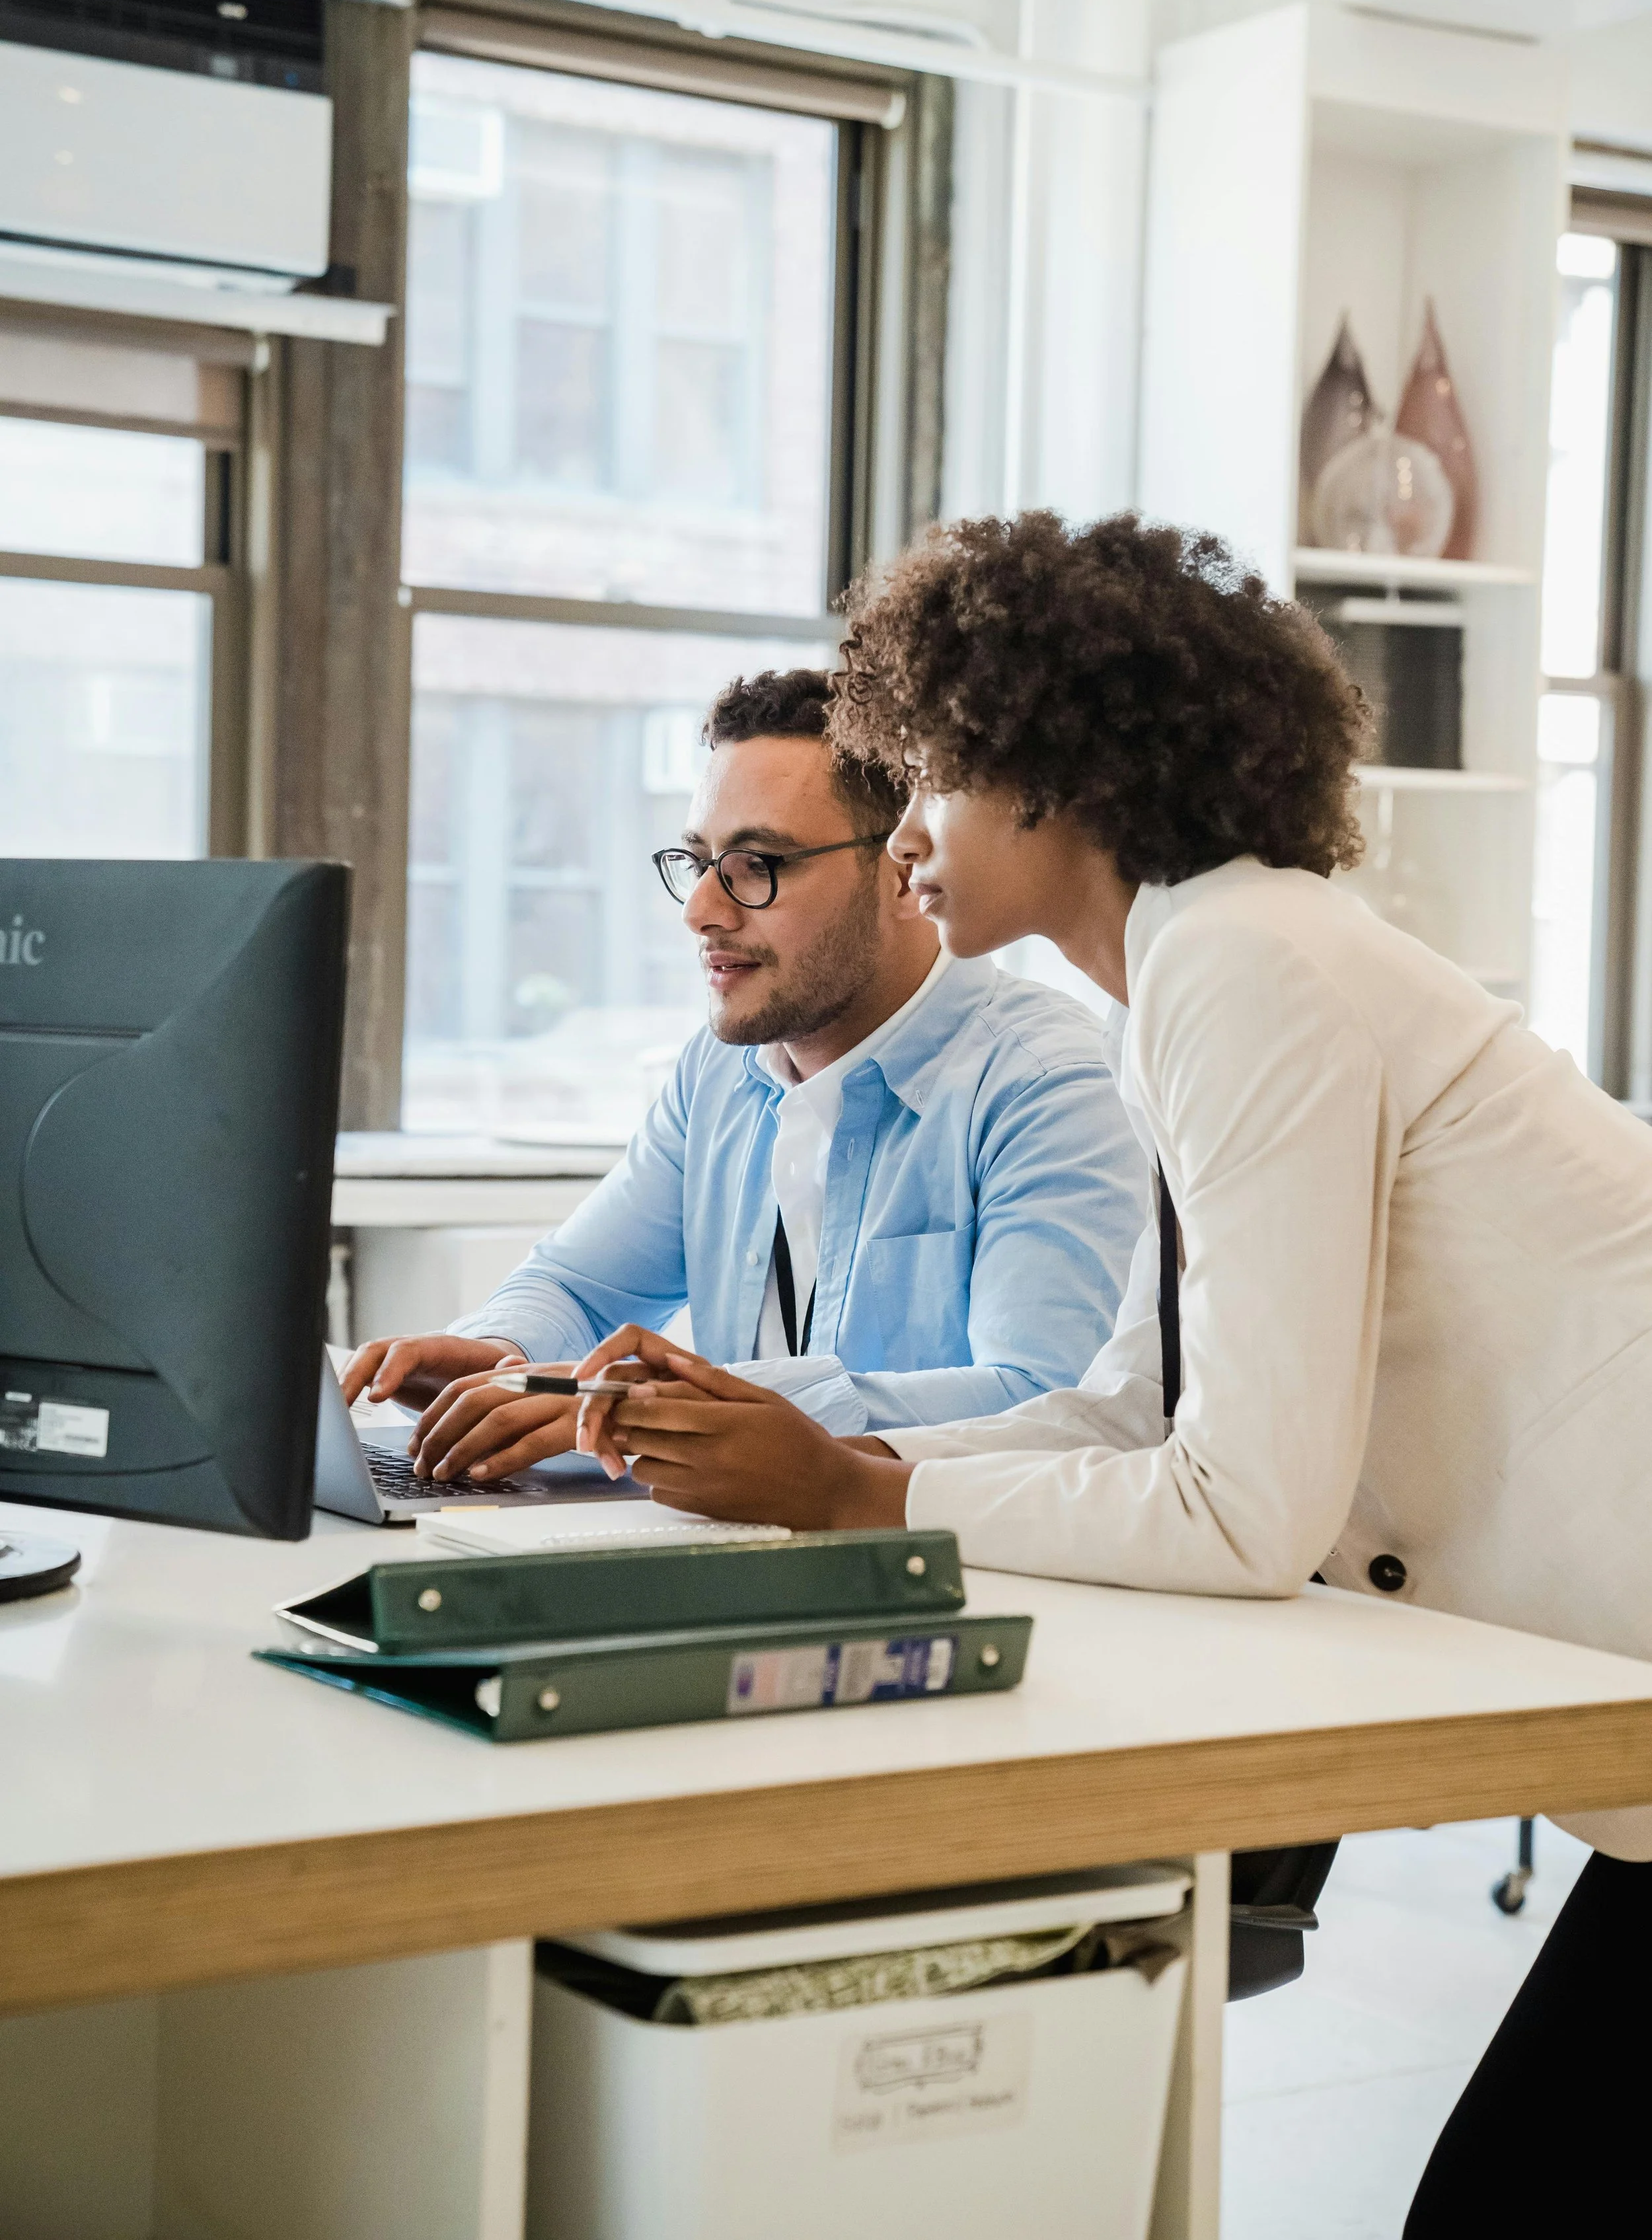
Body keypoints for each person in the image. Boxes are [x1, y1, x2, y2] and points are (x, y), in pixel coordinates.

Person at [582, 513, 1652, 2233]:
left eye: (930, 769)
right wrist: (825, 1447)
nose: (908, 825)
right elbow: (1133, 1412)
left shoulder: (1238, 965)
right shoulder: (1203, 972)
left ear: (1056, 767)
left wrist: (862, 1491)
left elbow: (1240, 1507)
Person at [344, 665, 1146, 1481]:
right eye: (699, 860)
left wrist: (671, 1407)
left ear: (905, 870)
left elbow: (1048, 1400)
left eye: (757, 863)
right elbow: (579, 1288)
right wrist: (503, 1354)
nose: (701, 909)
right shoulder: (721, 1071)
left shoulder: (1048, 1085)